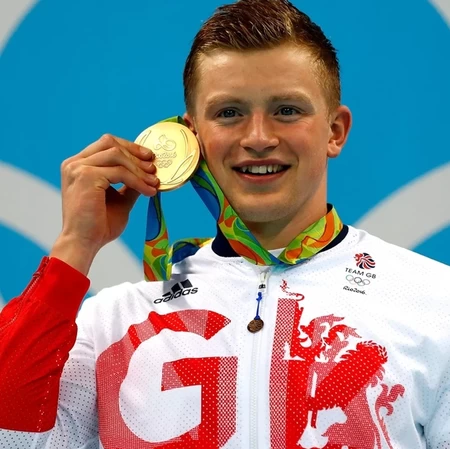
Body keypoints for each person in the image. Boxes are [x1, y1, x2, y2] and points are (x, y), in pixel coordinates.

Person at [0, 0, 449, 447]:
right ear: (192, 135)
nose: (258, 138)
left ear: (335, 130)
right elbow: (12, 438)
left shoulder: (434, 302)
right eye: (229, 113)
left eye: (287, 110)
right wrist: (75, 246)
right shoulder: (113, 322)